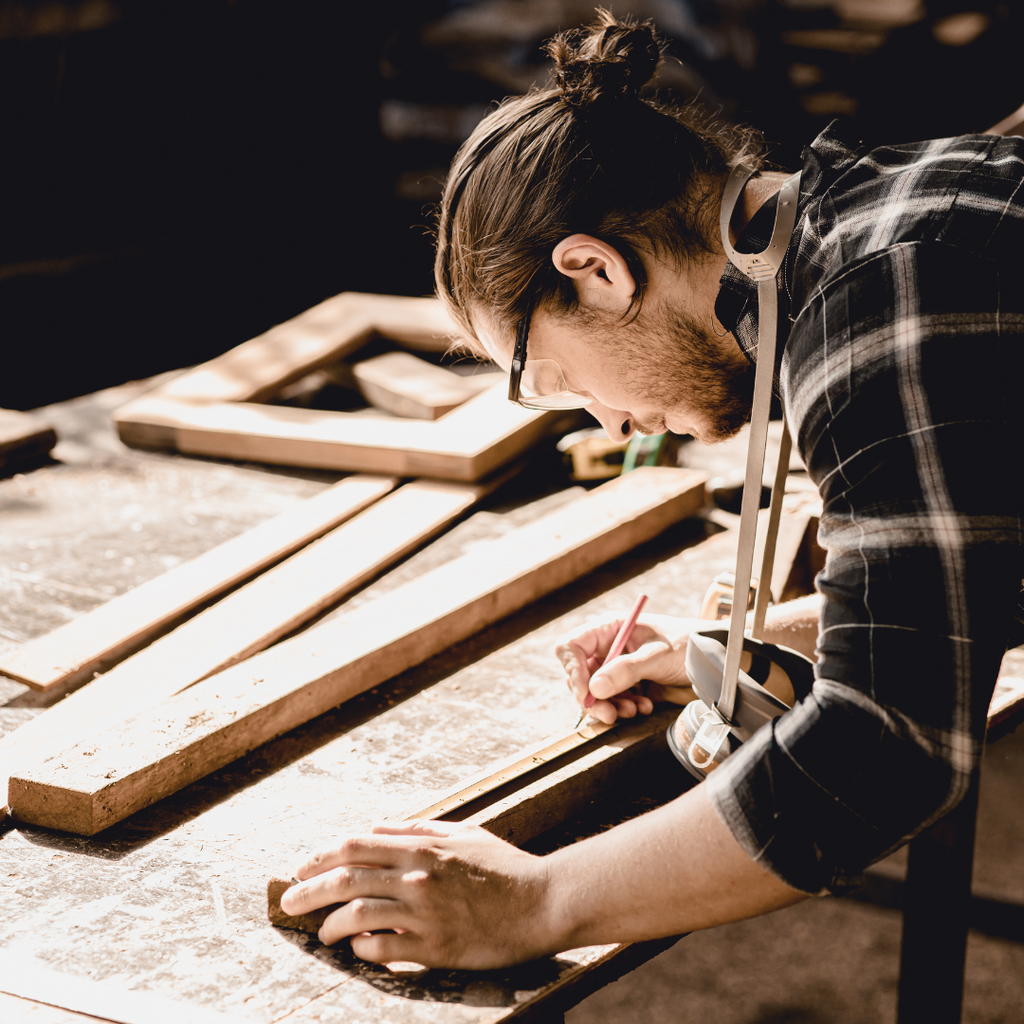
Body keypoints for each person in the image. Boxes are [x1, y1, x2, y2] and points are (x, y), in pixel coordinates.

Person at [280, 11, 1024, 968]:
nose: (611, 424)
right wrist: (786, 634)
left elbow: (884, 752)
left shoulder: (883, 300)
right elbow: (990, 550)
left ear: (595, 271)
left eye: (553, 378)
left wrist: (533, 900)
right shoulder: (878, 225)